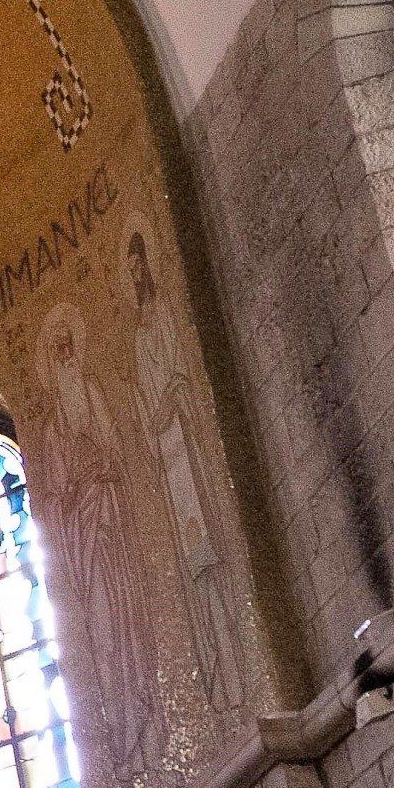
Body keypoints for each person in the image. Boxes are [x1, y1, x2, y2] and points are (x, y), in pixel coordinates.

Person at [31, 302, 165, 784]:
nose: (66, 353)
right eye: (57, 349)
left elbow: (114, 451)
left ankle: (147, 726)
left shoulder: (91, 394)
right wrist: (73, 488)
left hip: (110, 525)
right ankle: (123, 738)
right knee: (104, 630)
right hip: (84, 540)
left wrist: (101, 466)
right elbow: (55, 496)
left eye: (70, 344)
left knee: (126, 621)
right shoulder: (52, 429)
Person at [127, 229, 247, 711]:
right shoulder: (138, 333)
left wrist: (171, 401)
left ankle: (236, 667)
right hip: (170, 453)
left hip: (190, 444)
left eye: (140, 266)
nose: (136, 276)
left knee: (212, 556)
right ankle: (217, 672)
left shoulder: (165, 314)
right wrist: (153, 418)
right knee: (195, 569)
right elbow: (146, 401)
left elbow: (182, 377)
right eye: (129, 271)